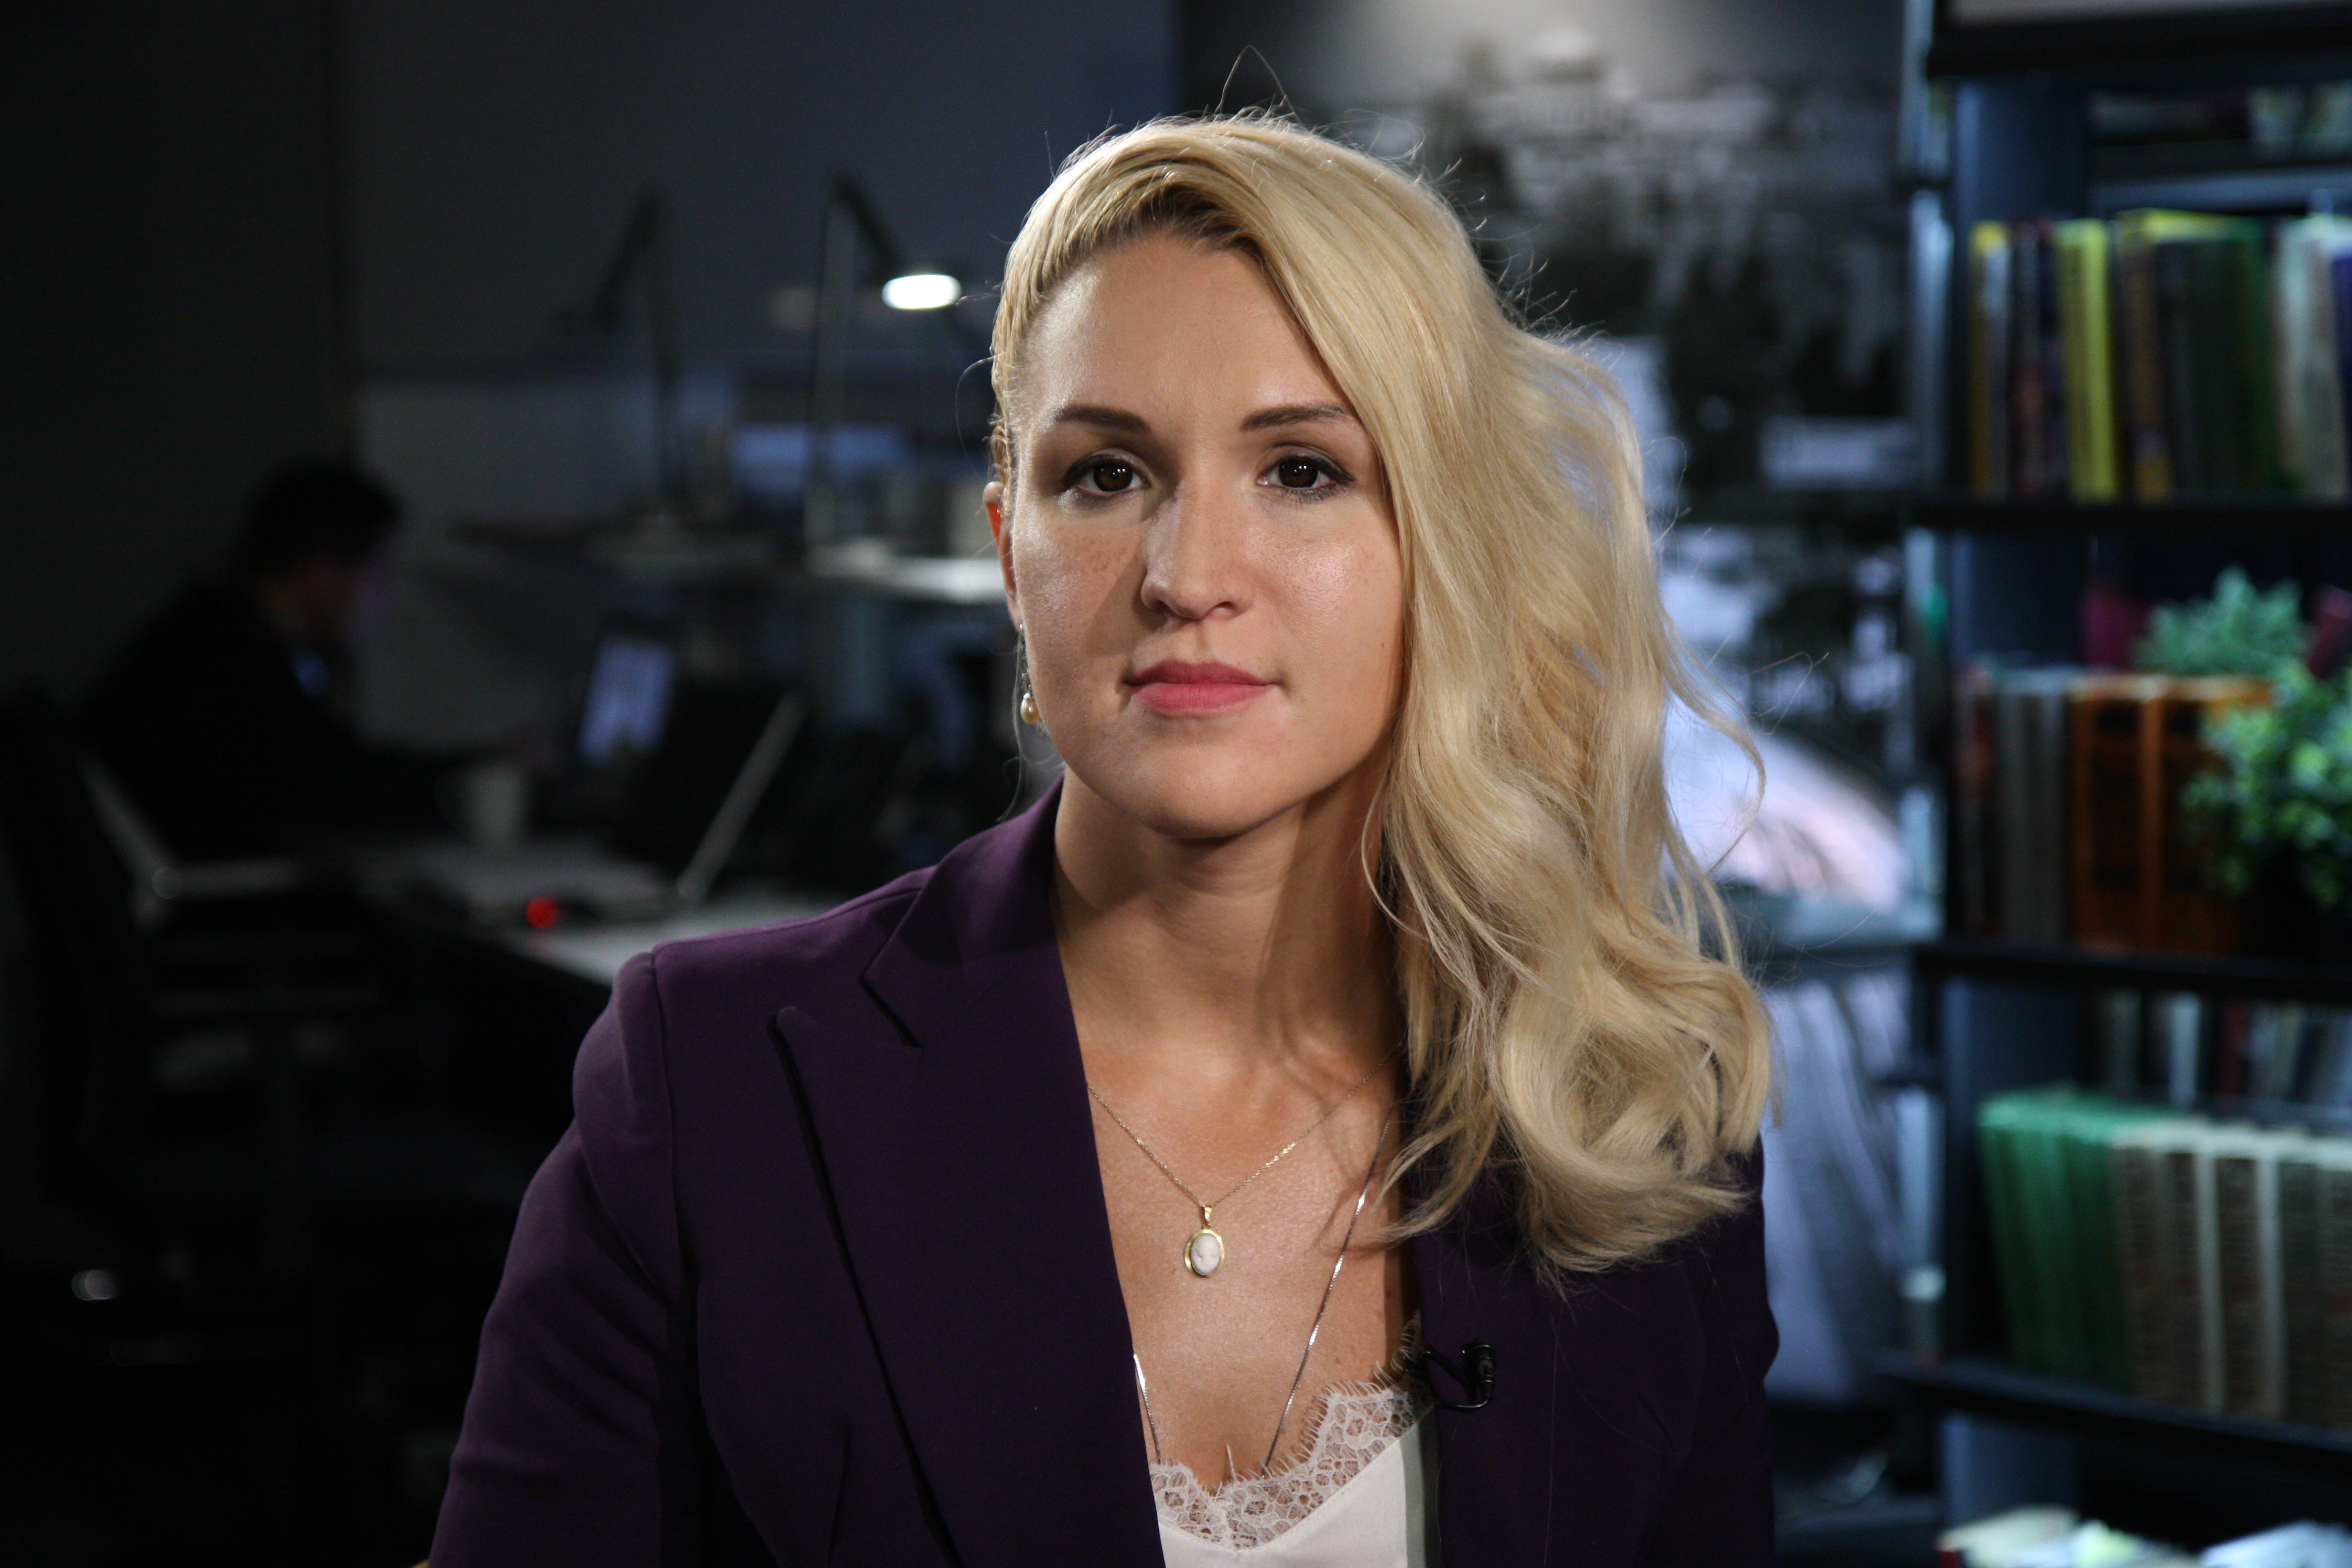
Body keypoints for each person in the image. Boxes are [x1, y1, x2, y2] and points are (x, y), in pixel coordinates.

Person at [429, 113, 1776, 1567]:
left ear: (1443, 547)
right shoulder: (711, 1085)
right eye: (1106, 476)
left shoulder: (1636, 1108)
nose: (1188, 576)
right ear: (1011, 552)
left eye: (1301, 471)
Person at [79, 460, 454, 859]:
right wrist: (463, 784)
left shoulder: (222, 634)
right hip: (202, 885)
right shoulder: (222, 662)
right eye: (378, 572)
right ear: (322, 571)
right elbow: (324, 784)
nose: (385, 598)